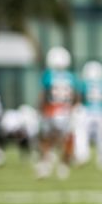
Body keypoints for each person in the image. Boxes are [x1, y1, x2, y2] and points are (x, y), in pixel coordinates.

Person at [38, 46, 77, 179]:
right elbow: (74, 97)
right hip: (65, 112)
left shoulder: (48, 75)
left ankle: (45, 164)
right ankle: (63, 166)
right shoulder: (71, 77)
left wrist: (40, 109)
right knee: (67, 139)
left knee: (46, 139)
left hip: (51, 111)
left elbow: (44, 95)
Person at [75, 61, 102, 169]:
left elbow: (79, 98)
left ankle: (82, 155)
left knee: (82, 133)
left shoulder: (84, 83)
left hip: (88, 112)